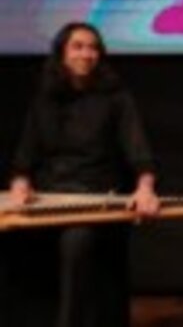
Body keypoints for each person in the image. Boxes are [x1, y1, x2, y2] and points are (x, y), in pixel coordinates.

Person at [2, 21, 160, 327]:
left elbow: (140, 154)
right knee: (12, 236)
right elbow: (23, 160)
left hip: (98, 199)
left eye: (93, 48)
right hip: (49, 199)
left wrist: (145, 188)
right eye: (78, 47)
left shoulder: (116, 98)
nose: (87, 54)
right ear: (62, 54)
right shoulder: (44, 99)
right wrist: (20, 186)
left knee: (76, 241)